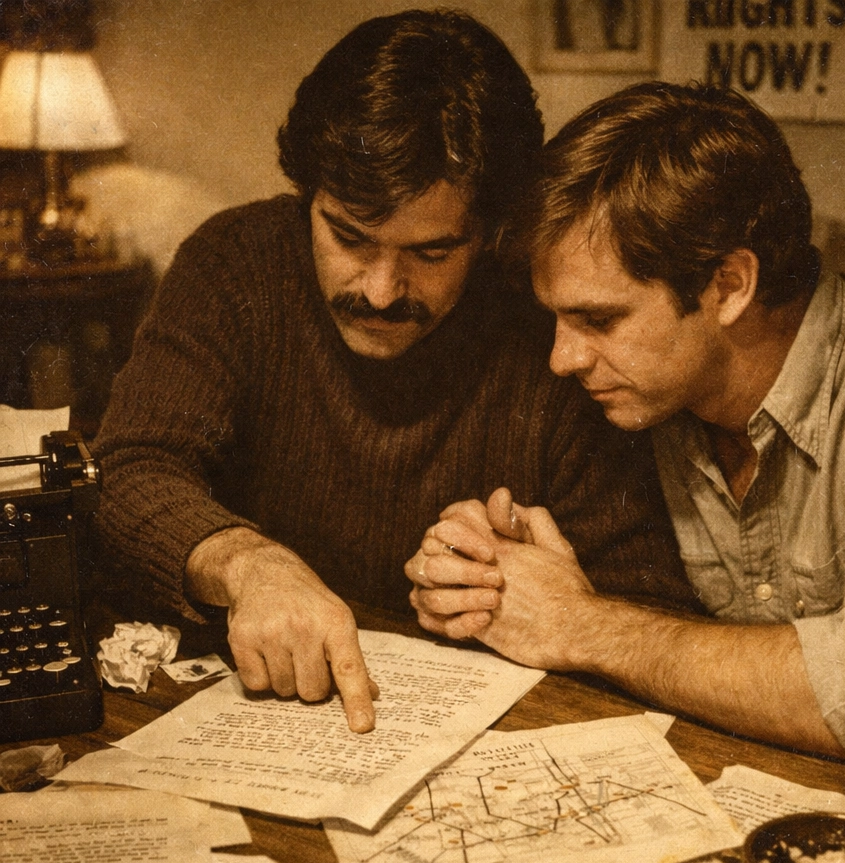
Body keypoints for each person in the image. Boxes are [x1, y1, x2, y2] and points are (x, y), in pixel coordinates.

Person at [92, 15, 695, 734]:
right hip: (243, 718)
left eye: (432, 252)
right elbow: (129, 469)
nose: (380, 290)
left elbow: (654, 608)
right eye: (347, 236)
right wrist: (247, 563)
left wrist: (547, 595)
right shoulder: (235, 263)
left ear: (492, 234)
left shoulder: (554, 329)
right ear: (305, 196)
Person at [407, 81, 845, 769]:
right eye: (558, 318)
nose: (562, 358)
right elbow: (552, 578)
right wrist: (483, 569)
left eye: (599, 320)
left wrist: (582, 625)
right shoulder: (646, 388)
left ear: (730, 286)